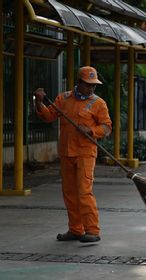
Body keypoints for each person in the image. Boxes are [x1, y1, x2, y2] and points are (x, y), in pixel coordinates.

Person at [34, 66, 112, 243]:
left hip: (85, 153)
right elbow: (48, 116)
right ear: (78, 83)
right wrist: (39, 102)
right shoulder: (63, 99)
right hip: (66, 153)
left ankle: (92, 230)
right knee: (69, 192)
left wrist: (91, 130)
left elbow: (107, 128)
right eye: (88, 85)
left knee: (84, 191)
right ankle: (76, 229)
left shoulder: (98, 103)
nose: (91, 88)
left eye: (94, 85)